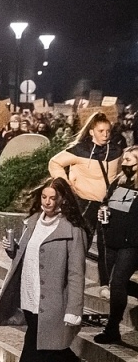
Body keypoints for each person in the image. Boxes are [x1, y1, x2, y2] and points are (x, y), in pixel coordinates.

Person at [0, 178, 90, 362]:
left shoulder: (73, 232)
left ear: (62, 200)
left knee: (35, 346)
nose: (47, 202)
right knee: (45, 342)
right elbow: (26, 257)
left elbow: (77, 274)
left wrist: (74, 309)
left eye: (52, 198)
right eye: (44, 197)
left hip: (53, 301)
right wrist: (12, 249)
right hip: (29, 294)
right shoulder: (32, 223)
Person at [49, 112, 122, 281]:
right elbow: (55, 162)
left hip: (107, 204)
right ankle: (67, 278)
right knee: (80, 242)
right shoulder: (80, 149)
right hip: (85, 203)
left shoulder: (117, 151)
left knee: (106, 246)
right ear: (91, 132)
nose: (105, 134)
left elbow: (121, 174)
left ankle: (106, 284)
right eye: (101, 131)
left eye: (108, 131)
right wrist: (67, 186)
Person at [95, 146, 138, 345]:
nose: (126, 163)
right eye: (125, 159)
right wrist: (103, 211)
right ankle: (112, 328)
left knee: (118, 282)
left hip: (132, 243)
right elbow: (107, 203)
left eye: (131, 160)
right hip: (112, 240)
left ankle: (112, 328)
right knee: (116, 284)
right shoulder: (119, 182)